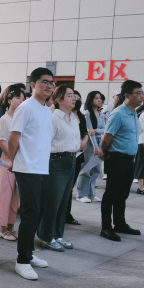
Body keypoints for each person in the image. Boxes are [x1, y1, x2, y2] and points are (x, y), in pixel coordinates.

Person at [8, 68, 54, 280]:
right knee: (30, 213)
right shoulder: (25, 107)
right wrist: (14, 161)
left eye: (51, 83)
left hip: (42, 168)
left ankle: (29, 252)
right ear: (33, 84)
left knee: (39, 212)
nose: (49, 86)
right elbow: (13, 139)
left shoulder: (46, 110)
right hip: (26, 168)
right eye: (44, 82)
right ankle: (22, 261)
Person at [99, 80, 144, 242]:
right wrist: (105, 152)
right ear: (127, 95)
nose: (142, 96)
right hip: (116, 158)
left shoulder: (133, 113)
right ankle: (106, 227)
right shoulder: (118, 113)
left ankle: (120, 224)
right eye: (138, 93)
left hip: (129, 159)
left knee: (123, 194)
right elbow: (106, 138)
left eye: (142, 93)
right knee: (111, 194)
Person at [38, 85, 80, 252]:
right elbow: (45, 142)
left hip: (71, 160)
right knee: (53, 201)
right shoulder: (53, 117)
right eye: (69, 95)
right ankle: (47, 236)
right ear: (59, 100)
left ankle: (58, 235)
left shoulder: (73, 117)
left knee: (64, 201)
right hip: (56, 161)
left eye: (74, 95)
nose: (73, 98)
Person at [0, 85, 24, 241]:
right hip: (7, 161)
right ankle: (2, 228)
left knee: (16, 197)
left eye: (22, 98)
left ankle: (12, 227)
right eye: (18, 98)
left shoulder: (21, 119)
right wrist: (13, 157)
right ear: (9, 100)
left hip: (20, 162)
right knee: (5, 195)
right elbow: (1, 142)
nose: (21, 101)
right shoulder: (4, 119)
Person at [76, 91, 106, 203]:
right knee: (86, 169)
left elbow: (105, 130)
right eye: (96, 98)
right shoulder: (88, 114)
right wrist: (95, 146)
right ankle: (81, 194)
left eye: (100, 98)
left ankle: (91, 193)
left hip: (99, 143)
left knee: (96, 170)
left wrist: (96, 131)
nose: (99, 100)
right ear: (91, 100)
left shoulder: (101, 114)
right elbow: (90, 132)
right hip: (90, 144)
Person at [66, 90, 89, 225]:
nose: (76, 100)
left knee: (70, 186)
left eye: (78, 98)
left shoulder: (81, 116)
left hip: (79, 154)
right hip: (66, 154)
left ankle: (67, 214)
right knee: (64, 187)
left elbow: (86, 132)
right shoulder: (64, 116)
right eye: (73, 97)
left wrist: (84, 142)